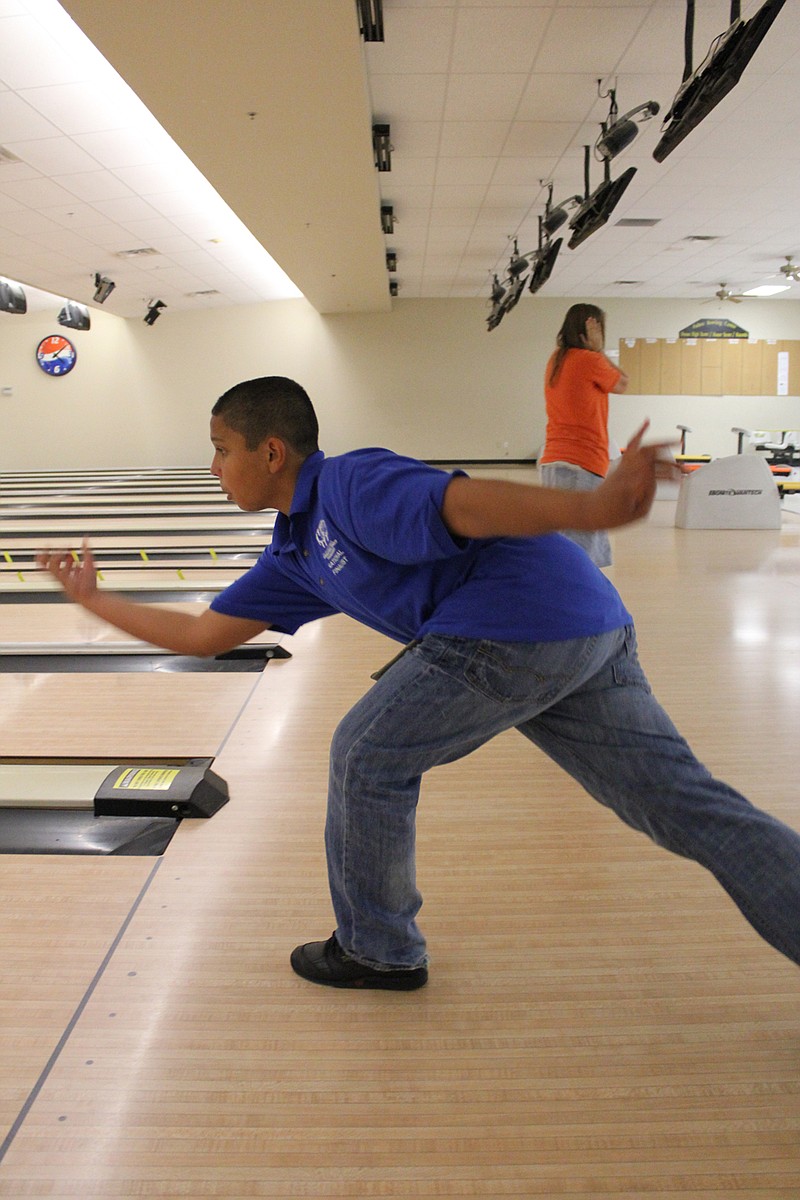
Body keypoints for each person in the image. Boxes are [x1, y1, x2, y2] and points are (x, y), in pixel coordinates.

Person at [38, 376, 800, 992]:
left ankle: (378, 949)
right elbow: (205, 635)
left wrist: (590, 508)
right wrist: (96, 601)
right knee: (687, 809)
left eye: (219, 449)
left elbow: (462, 504)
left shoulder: (349, 484)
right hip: (585, 630)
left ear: (271, 452)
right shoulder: (296, 552)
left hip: (516, 624)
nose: (211, 467)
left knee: (366, 754)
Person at [539, 303, 629, 567]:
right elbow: (623, 383)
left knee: (566, 541)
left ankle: (573, 598)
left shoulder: (557, 359)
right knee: (580, 551)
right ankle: (574, 602)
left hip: (555, 460)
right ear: (590, 329)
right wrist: (599, 350)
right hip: (581, 462)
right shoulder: (589, 360)